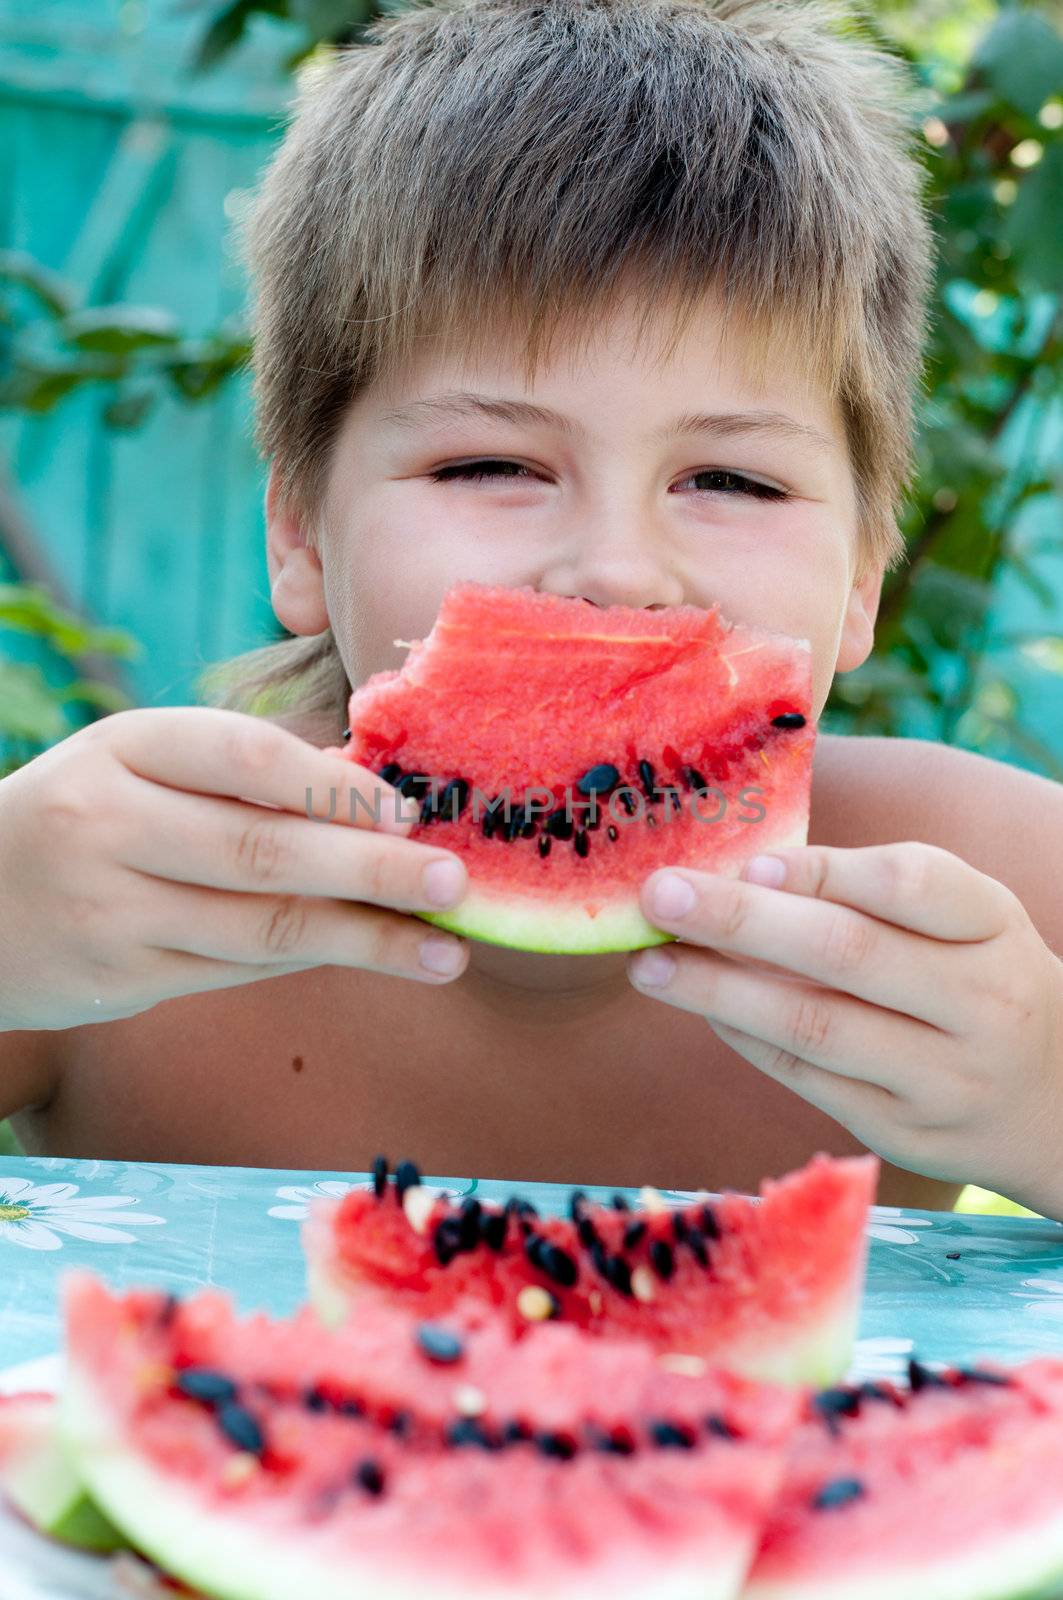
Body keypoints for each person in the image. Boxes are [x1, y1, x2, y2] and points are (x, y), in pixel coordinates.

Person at [2, 0, 1061, 1215]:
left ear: (862, 579)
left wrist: (1044, 1099)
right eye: (490, 466)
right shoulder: (122, 905)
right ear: (299, 534)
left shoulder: (973, 878)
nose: (614, 572)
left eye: (730, 479)